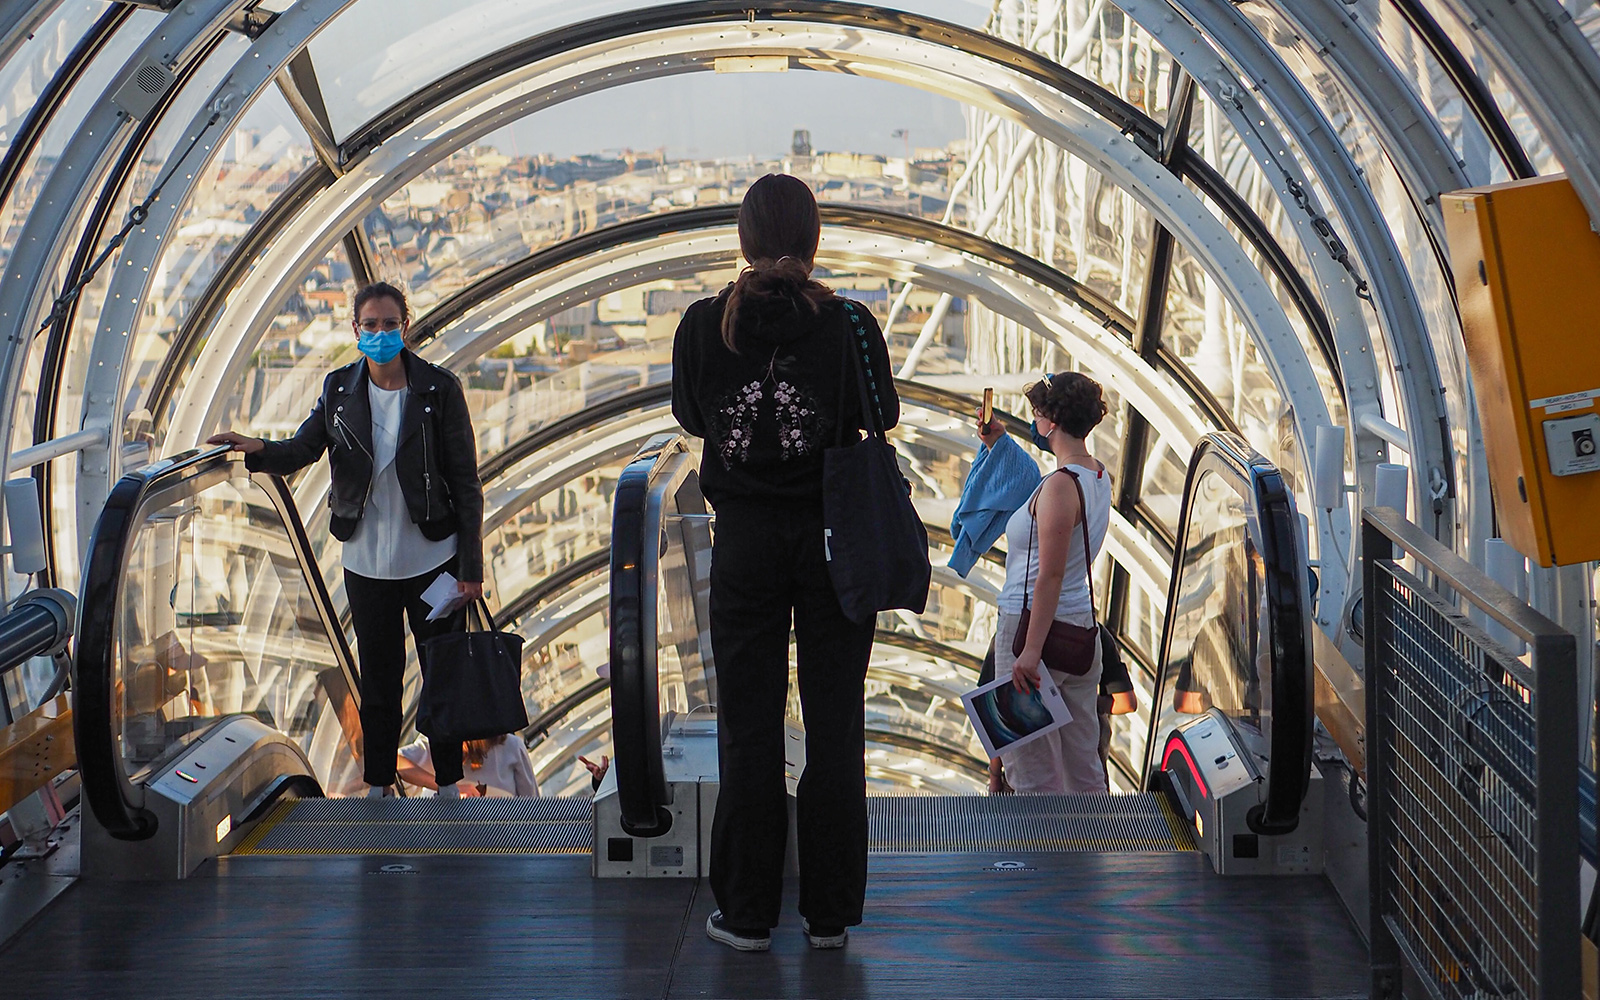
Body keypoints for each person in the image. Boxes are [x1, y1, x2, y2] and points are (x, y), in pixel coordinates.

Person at [671, 173, 896, 953]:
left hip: (743, 543)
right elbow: (884, 415)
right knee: (835, 724)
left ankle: (747, 912)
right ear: (812, 240)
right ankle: (830, 914)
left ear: (743, 239)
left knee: (749, 726)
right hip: (834, 543)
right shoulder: (850, 323)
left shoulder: (704, 325)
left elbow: (691, 415)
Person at [207, 281, 485, 799]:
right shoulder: (340, 389)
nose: (380, 334)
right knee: (379, 682)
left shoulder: (438, 391)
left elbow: (466, 483)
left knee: (440, 676)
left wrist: (471, 569)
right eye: (371, 325)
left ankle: (448, 786)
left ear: (407, 326)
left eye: (390, 324)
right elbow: (303, 449)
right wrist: (256, 449)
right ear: (355, 330)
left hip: (433, 561)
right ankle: (379, 786)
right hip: (367, 562)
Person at [978, 371, 1111, 794]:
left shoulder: (1058, 487)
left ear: (1051, 419)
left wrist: (1030, 652)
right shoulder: (1096, 476)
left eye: (1037, 412)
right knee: (1082, 759)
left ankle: (1045, 854)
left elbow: (1049, 575)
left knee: (1030, 764)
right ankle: (1096, 847)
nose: (1034, 420)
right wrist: (998, 444)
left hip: (1035, 632)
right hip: (1080, 637)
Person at [397, 734, 539, 797]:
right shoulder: (436, 746)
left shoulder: (513, 746)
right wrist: (448, 788)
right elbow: (395, 762)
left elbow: (534, 813)